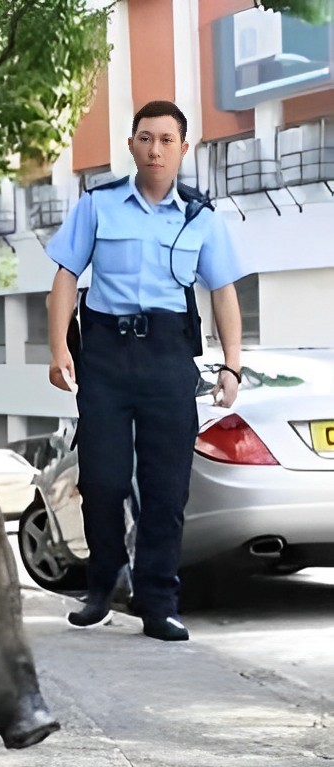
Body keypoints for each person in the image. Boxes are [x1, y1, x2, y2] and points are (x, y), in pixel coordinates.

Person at [44, 100, 244, 642]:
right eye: (145, 138)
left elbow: (222, 291)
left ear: (184, 147)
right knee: (103, 483)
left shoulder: (202, 217)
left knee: (165, 488)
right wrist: (59, 346)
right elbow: (65, 275)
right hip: (106, 357)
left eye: (165, 139)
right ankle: (102, 585)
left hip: (167, 359)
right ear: (132, 144)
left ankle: (158, 601)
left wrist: (232, 363)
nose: (154, 149)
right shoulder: (100, 204)